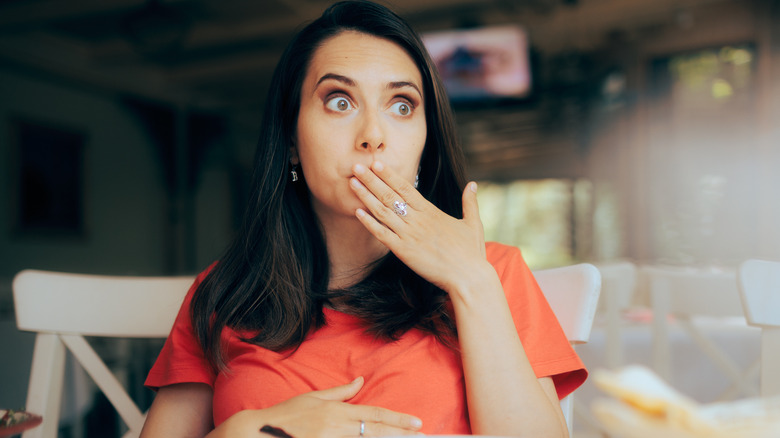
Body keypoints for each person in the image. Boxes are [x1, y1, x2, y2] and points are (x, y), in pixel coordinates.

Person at [140, 1, 586, 437]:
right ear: (292, 140)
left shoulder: (493, 274)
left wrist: (471, 283)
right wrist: (252, 431)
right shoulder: (227, 292)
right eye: (339, 101)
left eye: (402, 105)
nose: (373, 136)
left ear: (425, 144)